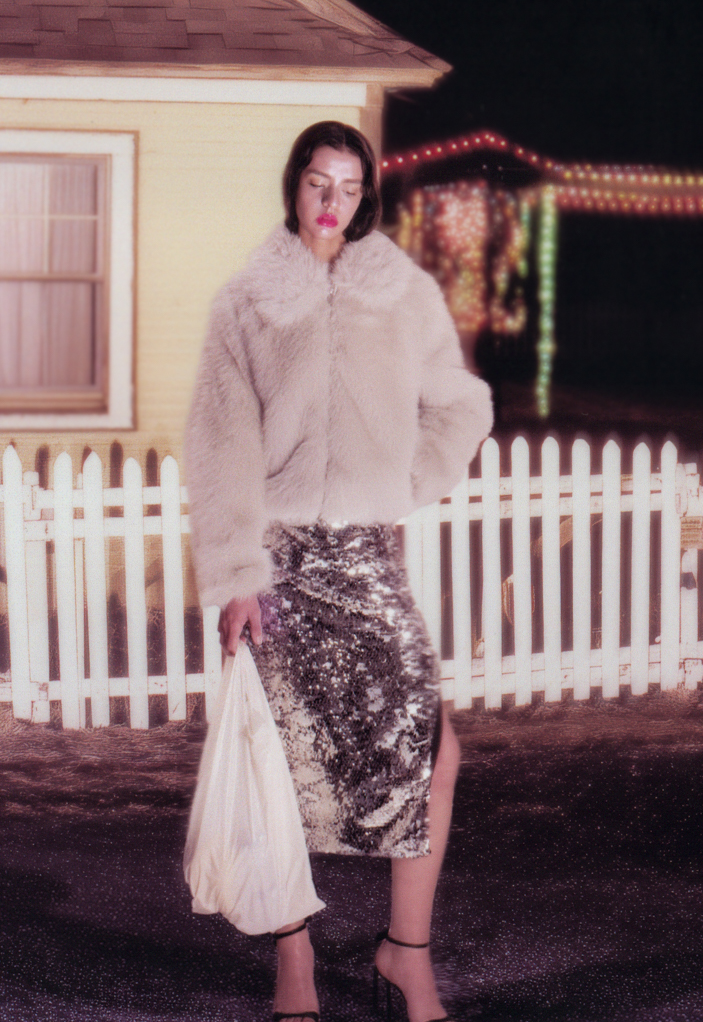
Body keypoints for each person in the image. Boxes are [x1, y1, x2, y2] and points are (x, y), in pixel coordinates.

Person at [185, 120, 492, 1022]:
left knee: (430, 752)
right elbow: (221, 447)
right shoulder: (247, 303)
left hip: (367, 558)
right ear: (295, 185)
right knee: (277, 761)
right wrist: (236, 573)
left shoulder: (403, 295)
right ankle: (296, 961)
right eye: (319, 182)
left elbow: (461, 405)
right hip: (278, 564)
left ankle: (407, 954)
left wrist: (405, 483)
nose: (332, 202)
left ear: (366, 198)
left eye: (349, 187)